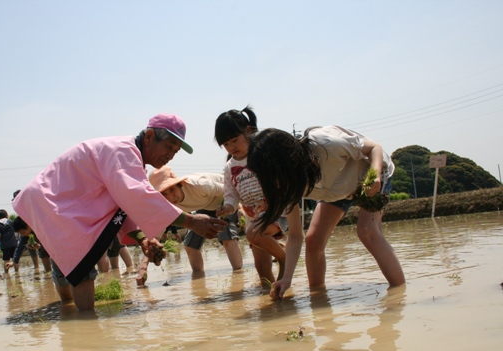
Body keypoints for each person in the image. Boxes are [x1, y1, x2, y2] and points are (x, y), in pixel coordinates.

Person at [12, 113, 226, 310]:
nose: (170, 155)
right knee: (82, 269)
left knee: (71, 266)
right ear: (150, 136)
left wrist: (143, 239)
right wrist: (190, 221)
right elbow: (137, 196)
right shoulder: (123, 151)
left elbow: (123, 204)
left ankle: (69, 317)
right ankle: (87, 328)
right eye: (169, 147)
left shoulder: (131, 159)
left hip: (55, 203)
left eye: (175, 151)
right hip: (55, 204)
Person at [246, 126, 406, 299]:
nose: (272, 183)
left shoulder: (328, 143)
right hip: (336, 189)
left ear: (286, 163)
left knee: (367, 231)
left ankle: (399, 295)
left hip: (369, 176)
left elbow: (374, 148)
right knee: (313, 240)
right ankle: (318, 297)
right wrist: (286, 279)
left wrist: (375, 175)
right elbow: (295, 236)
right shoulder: (288, 185)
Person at [214, 106, 286, 284]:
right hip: (253, 216)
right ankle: (275, 297)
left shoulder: (263, 154)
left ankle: (284, 258)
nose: (231, 147)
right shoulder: (230, 167)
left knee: (254, 233)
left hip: (275, 210)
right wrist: (228, 207)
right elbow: (231, 194)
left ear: (248, 131)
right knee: (261, 269)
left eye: (234, 140)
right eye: (226, 144)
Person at [149, 165, 243, 272]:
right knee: (190, 246)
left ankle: (239, 275)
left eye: (172, 190)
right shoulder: (166, 206)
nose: (170, 197)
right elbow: (154, 238)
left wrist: (238, 208)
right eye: (164, 194)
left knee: (226, 238)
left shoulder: (199, 185)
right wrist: (143, 268)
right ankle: (198, 278)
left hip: (225, 199)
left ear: (179, 184)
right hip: (205, 206)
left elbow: (229, 190)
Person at [0, 209, 18, 274]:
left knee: (6, 260)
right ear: (7, 215)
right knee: (15, 259)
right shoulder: (11, 222)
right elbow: (16, 232)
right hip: (13, 243)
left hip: (5, 245)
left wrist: (0, 242)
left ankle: (7, 273)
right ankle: (17, 272)